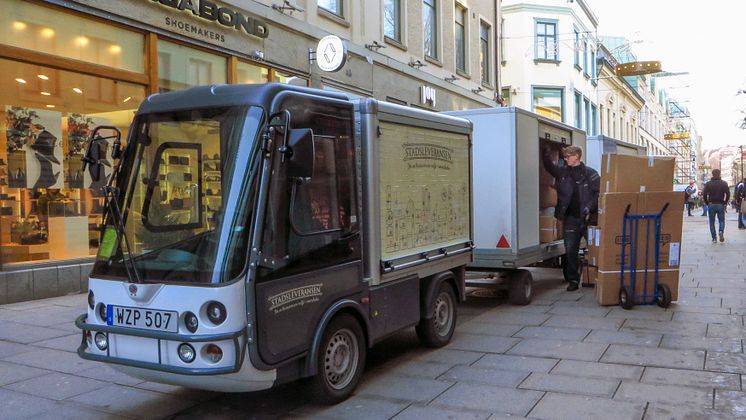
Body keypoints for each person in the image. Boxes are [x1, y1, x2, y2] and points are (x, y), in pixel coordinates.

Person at [542, 145, 600, 291]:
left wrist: (589, 207)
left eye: (568, 156)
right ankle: (573, 280)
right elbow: (549, 167)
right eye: (565, 156)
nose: (566, 159)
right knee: (570, 251)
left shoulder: (590, 174)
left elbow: (598, 194)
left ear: (577, 156)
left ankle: (598, 277)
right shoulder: (562, 172)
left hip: (589, 219)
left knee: (596, 249)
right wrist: (546, 153)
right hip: (571, 219)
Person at [702, 169, 730, 243]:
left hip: (711, 204)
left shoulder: (708, 184)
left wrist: (707, 202)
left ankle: (714, 238)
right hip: (720, 204)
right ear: (719, 174)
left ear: (712, 174)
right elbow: (728, 194)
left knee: (712, 222)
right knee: (721, 220)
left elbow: (704, 194)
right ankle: (721, 231)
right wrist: (725, 202)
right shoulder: (724, 183)